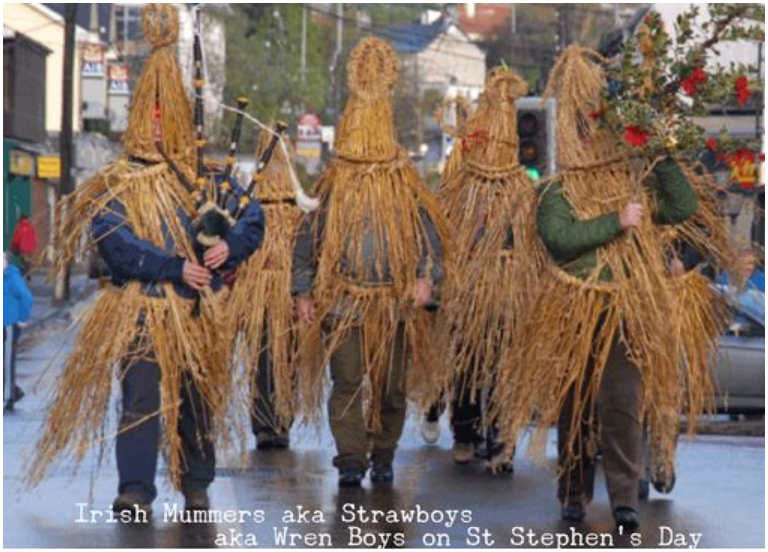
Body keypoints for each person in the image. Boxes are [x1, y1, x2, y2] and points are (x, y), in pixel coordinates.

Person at [27, 4, 264, 518]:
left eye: (167, 119)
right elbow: (114, 240)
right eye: (150, 119)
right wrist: (172, 266)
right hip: (139, 310)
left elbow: (252, 217)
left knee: (198, 398)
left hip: (196, 313)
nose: (159, 131)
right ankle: (134, 488)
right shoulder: (118, 181)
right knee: (139, 403)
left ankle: (196, 483)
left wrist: (232, 246)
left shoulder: (207, 175)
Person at [491, 46, 723, 533]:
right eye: (581, 124)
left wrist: (656, 147)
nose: (590, 133)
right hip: (575, 309)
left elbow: (680, 206)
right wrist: (614, 223)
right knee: (576, 409)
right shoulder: (556, 185)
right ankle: (573, 493)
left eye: (597, 122)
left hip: (626, 311)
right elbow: (559, 240)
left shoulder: (632, 178)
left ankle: (624, 502)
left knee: (621, 406)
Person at [291, 37, 447, 488]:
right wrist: (303, 290)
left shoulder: (402, 183)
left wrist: (425, 278)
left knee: (392, 387)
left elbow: (428, 238)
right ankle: (351, 458)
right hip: (343, 302)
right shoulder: (334, 184)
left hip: (393, 303)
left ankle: (383, 451)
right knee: (346, 383)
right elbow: (307, 241)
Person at [429, 67, 543, 473]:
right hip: (470, 289)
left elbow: (536, 241)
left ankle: (500, 437)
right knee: (467, 362)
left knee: (504, 365)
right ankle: (464, 432)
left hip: (510, 292)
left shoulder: (523, 189)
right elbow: (443, 235)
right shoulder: (465, 189)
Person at [228, 131, 318, 451]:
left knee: (286, 357)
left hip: (288, 296)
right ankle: (265, 423)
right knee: (261, 357)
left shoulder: (298, 213)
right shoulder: (249, 209)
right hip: (258, 298)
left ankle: (280, 420)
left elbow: (309, 253)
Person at [3, 252, 33, 411]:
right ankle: (13, 391)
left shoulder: (12, 278)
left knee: (7, 361)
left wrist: (22, 318)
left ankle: (8, 398)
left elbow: (26, 297)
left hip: (8, 325)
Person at [10, 214, 38, 278]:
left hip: (22, 247)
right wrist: (33, 246)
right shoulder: (31, 228)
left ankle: (24, 272)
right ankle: (28, 273)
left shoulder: (19, 227)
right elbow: (34, 238)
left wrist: (13, 247)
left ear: (20, 220)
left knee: (23, 260)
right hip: (30, 247)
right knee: (28, 260)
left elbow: (16, 239)